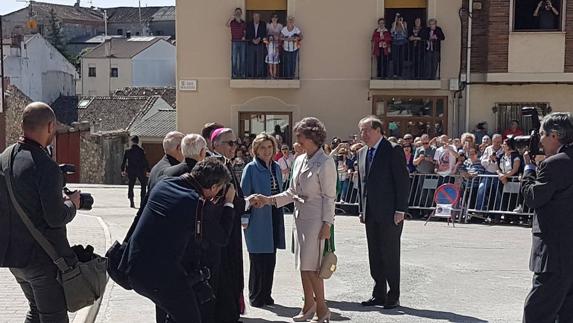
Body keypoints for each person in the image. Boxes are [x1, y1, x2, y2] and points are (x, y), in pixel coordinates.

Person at [124, 158, 235, 323]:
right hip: (159, 276)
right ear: (213, 187)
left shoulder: (164, 184)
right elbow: (222, 237)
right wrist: (228, 204)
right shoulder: (196, 204)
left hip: (134, 266)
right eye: (218, 190)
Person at [0, 102, 80, 323]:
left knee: (36, 312)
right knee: (54, 318)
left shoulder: (5, 158)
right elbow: (55, 217)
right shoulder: (45, 166)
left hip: (13, 258)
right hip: (42, 259)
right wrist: (72, 204)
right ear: (50, 126)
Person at [253, 117, 336, 322]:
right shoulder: (300, 159)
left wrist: (327, 224)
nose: (296, 140)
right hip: (300, 219)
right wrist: (269, 200)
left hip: (316, 220)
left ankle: (322, 308)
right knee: (303, 264)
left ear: (311, 137)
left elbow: (329, 197)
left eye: (299, 136)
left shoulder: (325, 162)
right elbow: (291, 192)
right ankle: (309, 304)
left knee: (314, 267)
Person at [521, 112, 573, 323]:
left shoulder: (556, 164)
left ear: (554, 135)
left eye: (541, 134)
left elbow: (533, 197)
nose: (539, 140)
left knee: (537, 312)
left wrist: (529, 169)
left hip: (555, 254)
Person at [357, 116, 409, 309]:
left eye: (367, 130)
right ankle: (378, 293)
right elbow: (363, 185)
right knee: (375, 254)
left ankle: (393, 294)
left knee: (390, 254)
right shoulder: (362, 152)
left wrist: (400, 209)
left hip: (390, 213)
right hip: (370, 213)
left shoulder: (392, 150)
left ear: (378, 130)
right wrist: (362, 209)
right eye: (361, 131)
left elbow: (402, 181)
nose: (363, 134)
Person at [240, 133, 286, 308]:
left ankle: (267, 293)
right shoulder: (250, 168)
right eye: (263, 148)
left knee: (270, 258)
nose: (267, 151)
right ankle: (256, 295)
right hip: (257, 219)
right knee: (258, 259)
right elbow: (244, 195)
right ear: (256, 150)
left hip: (273, 216)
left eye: (269, 147)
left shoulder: (276, 167)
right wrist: (245, 220)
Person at [210, 128, 249, 323]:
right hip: (224, 227)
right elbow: (230, 199)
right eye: (230, 143)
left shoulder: (226, 164)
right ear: (215, 144)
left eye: (235, 143)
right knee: (226, 272)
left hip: (231, 226)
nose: (234, 147)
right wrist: (248, 203)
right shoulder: (217, 166)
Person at [121, 135, 150, 208]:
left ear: (132, 142)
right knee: (143, 185)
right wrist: (148, 170)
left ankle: (131, 201)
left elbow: (124, 161)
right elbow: (145, 161)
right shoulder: (141, 151)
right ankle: (142, 202)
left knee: (131, 185)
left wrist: (122, 170)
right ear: (138, 142)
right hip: (140, 170)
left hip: (131, 170)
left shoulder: (128, 151)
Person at [477, 134, 504, 211]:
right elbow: (483, 162)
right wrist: (489, 159)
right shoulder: (488, 149)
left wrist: (496, 160)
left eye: (499, 142)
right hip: (488, 173)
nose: (497, 143)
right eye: (495, 141)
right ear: (492, 141)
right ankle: (479, 210)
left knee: (498, 193)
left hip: (498, 174)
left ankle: (498, 213)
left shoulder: (503, 149)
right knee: (481, 189)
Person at [246, 13, 267, 78]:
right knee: (251, 59)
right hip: (251, 44)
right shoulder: (249, 24)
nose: (256, 18)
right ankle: (251, 74)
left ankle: (259, 74)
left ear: (259, 17)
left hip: (260, 44)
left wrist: (259, 38)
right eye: (255, 16)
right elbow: (247, 34)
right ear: (253, 17)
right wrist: (252, 40)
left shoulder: (263, 24)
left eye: (257, 17)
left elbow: (264, 33)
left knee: (259, 60)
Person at [227, 8, 246, 78]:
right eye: (236, 12)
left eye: (239, 12)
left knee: (242, 59)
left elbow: (245, 32)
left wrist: (244, 36)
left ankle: (242, 73)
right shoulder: (232, 22)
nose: (238, 13)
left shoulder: (243, 22)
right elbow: (227, 25)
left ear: (241, 13)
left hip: (242, 42)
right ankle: (234, 74)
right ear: (235, 13)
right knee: (234, 59)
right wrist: (231, 17)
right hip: (234, 42)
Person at [391, 13, 408, 79]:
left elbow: (406, 34)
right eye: (398, 18)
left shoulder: (404, 25)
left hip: (402, 44)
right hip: (395, 43)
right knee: (395, 58)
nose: (399, 20)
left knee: (401, 59)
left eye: (400, 18)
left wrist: (402, 24)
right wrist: (395, 22)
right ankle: (395, 73)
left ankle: (400, 73)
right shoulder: (394, 24)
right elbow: (392, 32)